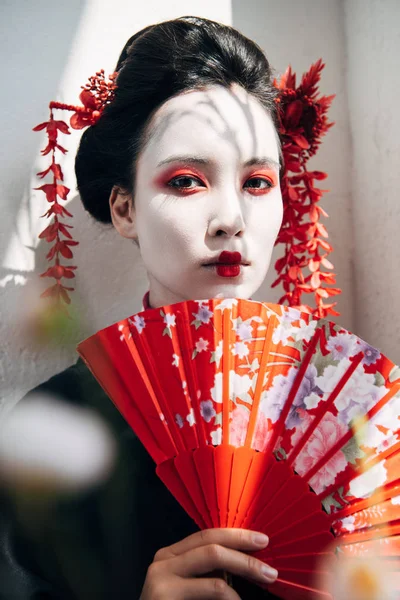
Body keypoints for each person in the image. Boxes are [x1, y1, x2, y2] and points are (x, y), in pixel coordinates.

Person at [0, 15, 286, 599]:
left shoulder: (348, 409)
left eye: (257, 182)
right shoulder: (57, 426)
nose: (231, 219)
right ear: (125, 209)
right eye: (185, 181)